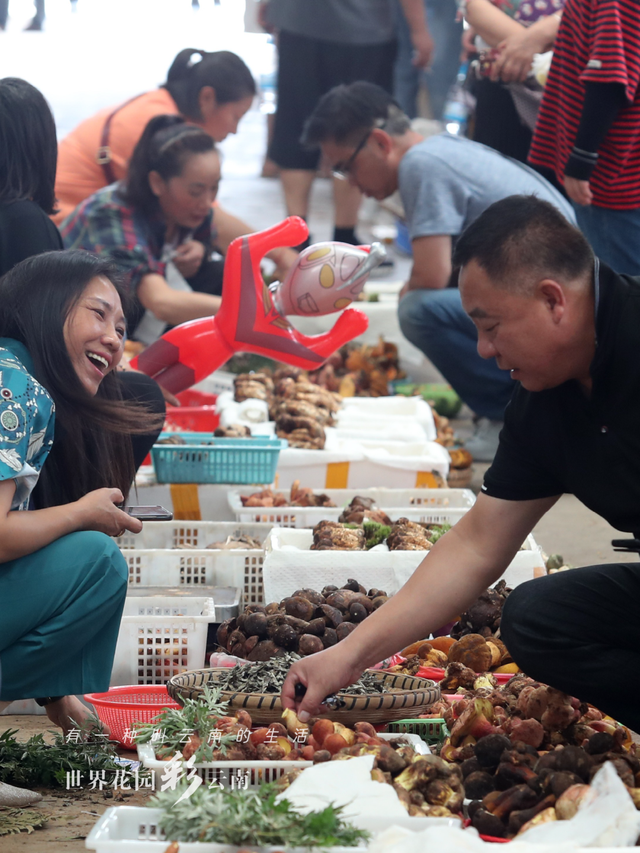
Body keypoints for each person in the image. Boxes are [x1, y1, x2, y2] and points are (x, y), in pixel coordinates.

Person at [282, 194, 640, 733]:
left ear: (553, 300)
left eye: (491, 326)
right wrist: (348, 658)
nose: (482, 349)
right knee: (536, 620)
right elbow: (476, 545)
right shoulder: (543, 398)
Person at [301, 82, 575, 459]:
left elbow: (430, 276)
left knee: (416, 311)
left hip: (554, 303)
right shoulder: (437, 148)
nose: (352, 183)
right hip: (551, 291)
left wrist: (399, 298)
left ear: (380, 142)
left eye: (347, 167)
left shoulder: (421, 164)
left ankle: (510, 417)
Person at [0, 250, 162, 733]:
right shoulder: (14, 385)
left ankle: (56, 691)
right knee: (97, 560)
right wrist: (81, 513)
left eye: (121, 328)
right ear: (45, 306)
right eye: (98, 314)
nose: (113, 338)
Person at [0, 76, 167, 448]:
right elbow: (42, 331)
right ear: (40, 148)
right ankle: (78, 489)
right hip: (15, 396)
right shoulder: (26, 221)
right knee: (143, 396)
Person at [54, 48, 295, 281]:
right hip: (65, 239)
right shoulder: (158, 131)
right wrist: (278, 253)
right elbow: (212, 218)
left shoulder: (161, 110)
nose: (234, 130)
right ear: (207, 98)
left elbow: (206, 220)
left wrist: (202, 246)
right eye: (235, 116)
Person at [62, 115, 282, 345]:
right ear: (157, 183)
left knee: (226, 275)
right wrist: (255, 310)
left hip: (135, 302)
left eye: (215, 188)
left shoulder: (189, 208)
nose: (207, 202)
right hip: (75, 316)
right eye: (196, 191)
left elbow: (212, 241)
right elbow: (160, 302)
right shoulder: (111, 213)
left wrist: (201, 249)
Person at [260, 0, 433, 249]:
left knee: (299, 127)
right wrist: (419, 29)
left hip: (303, 19)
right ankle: (342, 236)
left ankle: (298, 240)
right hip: (362, 27)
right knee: (355, 131)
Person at [528, 0, 640, 275]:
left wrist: (583, 157)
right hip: (616, 168)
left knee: (621, 287)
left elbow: (609, 79)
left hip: (610, 174)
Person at [462, 0, 563, 165]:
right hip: (501, 87)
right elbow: (473, 5)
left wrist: (536, 38)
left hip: (568, 93)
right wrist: (530, 48)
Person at [393, 0, 462, 122]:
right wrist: (419, 31)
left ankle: (402, 127)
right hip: (431, 7)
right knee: (440, 79)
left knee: (438, 78)